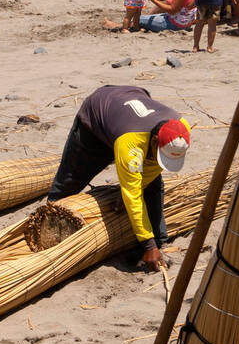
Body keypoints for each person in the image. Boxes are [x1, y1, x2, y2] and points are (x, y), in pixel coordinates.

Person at [46, 85, 191, 271]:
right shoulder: (130, 144)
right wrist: (148, 245)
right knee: (69, 181)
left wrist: (136, 187)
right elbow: (133, 195)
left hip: (130, 99)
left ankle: (159, 239)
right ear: (155, 141)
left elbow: (153, 170)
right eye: (162, 155)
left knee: (152, 185)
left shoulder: (182, 129)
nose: (162, 161)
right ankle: (47, 222)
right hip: (96, 118)